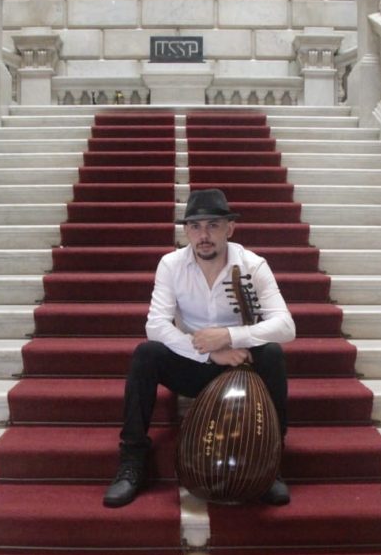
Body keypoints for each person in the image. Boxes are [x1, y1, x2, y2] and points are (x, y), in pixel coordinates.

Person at [103, 188, 296, 508]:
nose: (203, 235)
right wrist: (208, 352)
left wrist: (230, 337)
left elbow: (286, 326)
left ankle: (271, 462)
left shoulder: (253, 264)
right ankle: (132, 460)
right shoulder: (171, 265)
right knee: (146, 355)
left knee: (273, 354)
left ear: (230, 228)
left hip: (239, 364)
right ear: (187, 231)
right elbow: (156, 325)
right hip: (195, 365)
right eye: (195, 226)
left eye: (212, 225)